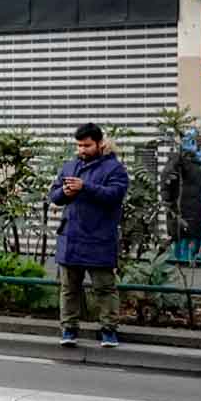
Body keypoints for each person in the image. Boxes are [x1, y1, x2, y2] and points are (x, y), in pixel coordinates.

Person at [49, 122, 129, 348]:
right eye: (79, 146)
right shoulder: (70, 166)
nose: (82, 150)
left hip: (99, 237)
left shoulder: (114, 168)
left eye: (87, 145)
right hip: (71, 236)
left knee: (104, 288)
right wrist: (64, 192)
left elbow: (115, 195)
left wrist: (85, 187)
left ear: (99, 143)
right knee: (69, 288)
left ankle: (109, 330)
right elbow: (54, 195)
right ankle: (68, 329)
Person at [161, 132, 201, 264]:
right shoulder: (178, 161)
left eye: (198, 141)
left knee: (196, 234)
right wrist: (167, 199)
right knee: (183, 235)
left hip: (199, 206)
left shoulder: (200, 163)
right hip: (183, 207)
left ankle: (196, 260)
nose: (197, 144)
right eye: (194, 141)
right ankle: (182, 261)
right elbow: (167, 179)